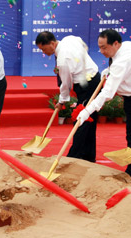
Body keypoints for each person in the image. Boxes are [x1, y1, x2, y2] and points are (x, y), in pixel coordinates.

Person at [78, 29, 131, 181]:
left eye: (104, 47)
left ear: (115, 44)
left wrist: (87, 111)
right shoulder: (127, 45)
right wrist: (109, 70)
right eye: (99, 47)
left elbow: (107, 93)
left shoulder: (122, 63)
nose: (101, 51)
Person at [36, 31, 100, 162]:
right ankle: (88, 156)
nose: (43, 52)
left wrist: (62, 101)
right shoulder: (69, 39)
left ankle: (74, 156)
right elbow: (80, 40)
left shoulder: (63, 59)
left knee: (81, 120)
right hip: (93, 78)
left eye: (44, 48)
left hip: (87, 84)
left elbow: (66, 84)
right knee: (89, 120)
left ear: (52, 44)